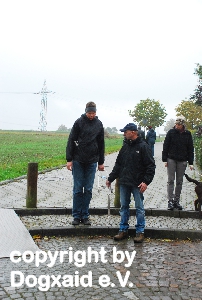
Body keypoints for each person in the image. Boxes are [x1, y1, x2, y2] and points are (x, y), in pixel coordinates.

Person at [106, 123, 155, 243]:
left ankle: (140, 232)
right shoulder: (125, 147)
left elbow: (151, 166)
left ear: (133, 132)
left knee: (139, 208)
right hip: (124, 182)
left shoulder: (144, 146)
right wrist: (110, 178)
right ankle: (123, 230)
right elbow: (118, 164)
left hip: (137, 183)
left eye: (125, 131)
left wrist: (146, 182)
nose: (124, 133)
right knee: (124, 207)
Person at [66, 102, 105, 225]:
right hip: (78, 160)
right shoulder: (79, 122)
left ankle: (85, 214)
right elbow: (71, 140)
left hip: (92, 161)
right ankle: (77, 215)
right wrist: (69, 159)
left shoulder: (99, 124)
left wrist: (101, 162)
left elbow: (101, 143)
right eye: (89, 113)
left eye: (93, 113)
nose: (91, 115)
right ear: (86, 111)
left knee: (88, 189)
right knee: (78, 189)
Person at [162, 116, 194, 210]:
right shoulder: (171, 133)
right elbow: (166, 145)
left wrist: (191, 162)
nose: (177, 126)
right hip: (171, 159)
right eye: (176, 124)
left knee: (179, 181)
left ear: (183, 125)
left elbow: (190, 148)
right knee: (170, 180)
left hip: (182, 160)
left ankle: (176, 201)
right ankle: (170, 201)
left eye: (179, 124)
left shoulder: (187, 134)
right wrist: (165, 160)